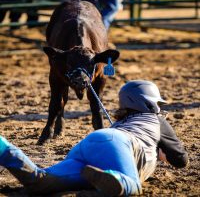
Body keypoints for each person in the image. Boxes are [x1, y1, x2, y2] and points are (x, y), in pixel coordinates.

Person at [0, 80, 188, 196]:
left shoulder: (119, 123)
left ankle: (4, 149)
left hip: (92, 142)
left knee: (41, 181)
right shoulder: (156, 120)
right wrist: (161, 154)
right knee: (132, 186)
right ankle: (112, 179)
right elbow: (181, 160)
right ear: (149, 102)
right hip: (119, 142)